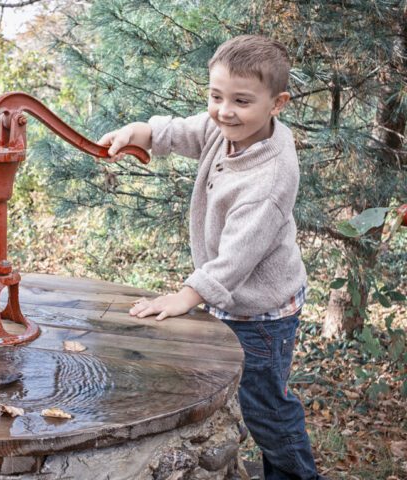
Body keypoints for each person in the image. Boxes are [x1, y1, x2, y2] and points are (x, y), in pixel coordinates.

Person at [99, 35, 323, 479]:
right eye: (216, 96)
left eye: (241, 100)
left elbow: (238, 257)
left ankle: (298, 475)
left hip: (262, 313)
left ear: (278, 103)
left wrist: (187, 295)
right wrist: (141, 132)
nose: (224, 110)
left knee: (267, 408)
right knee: (235, 396)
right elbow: (185, 130)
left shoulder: (270, 177)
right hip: (232, 300)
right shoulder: (226, 130)